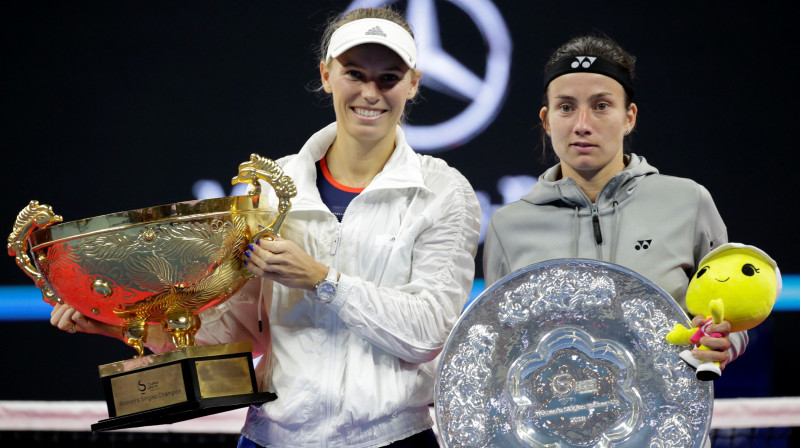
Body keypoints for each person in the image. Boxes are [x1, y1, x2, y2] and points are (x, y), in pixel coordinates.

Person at [51, 7, 481, 448]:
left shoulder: (443, 192)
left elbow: (430, 333)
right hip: (270, 437)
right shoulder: (270, 188)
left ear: (413, 83)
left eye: (389, 77)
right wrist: (126, 325)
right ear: (326, 75)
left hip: (391, 438)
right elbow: (240, 331)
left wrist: (322, 280)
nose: (370, 93)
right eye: (354, 73)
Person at [482, 34, 745, 441]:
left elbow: (732, 317)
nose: (582, 124)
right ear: (547, 120)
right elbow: (500, 352)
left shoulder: (688, 202)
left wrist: (725, 341)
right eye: (566, 107)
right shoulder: (508, 226)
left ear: (629, 117)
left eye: (601, 106)